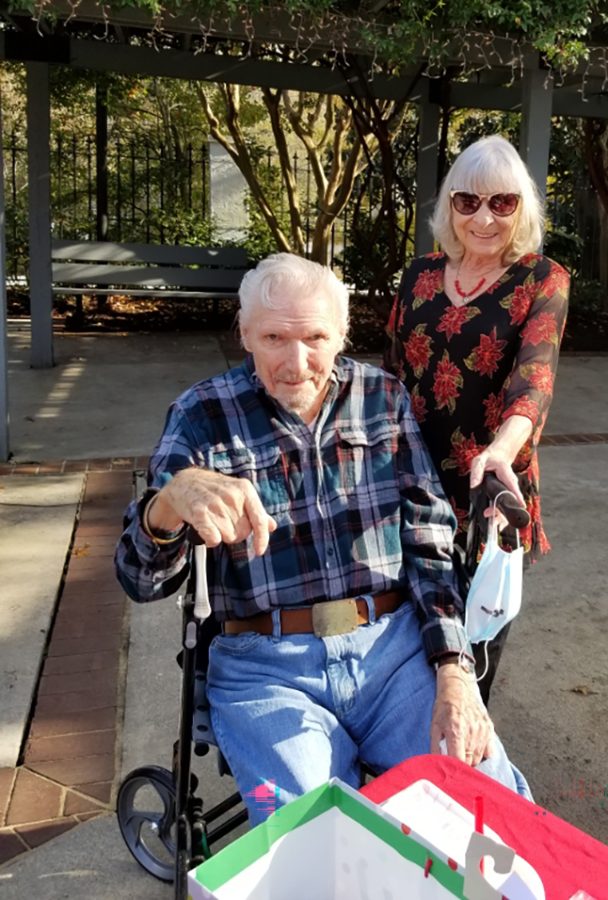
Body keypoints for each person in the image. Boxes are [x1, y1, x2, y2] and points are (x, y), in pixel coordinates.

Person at [115, 252, 531, 826]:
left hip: (394, 652)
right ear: (244, 334)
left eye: (314, 336)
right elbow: (138, 578)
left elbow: (431, 541)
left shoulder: (382, 398)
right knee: (311, 835)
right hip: (266, 669)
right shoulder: (200, 415)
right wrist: (166, 504)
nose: (296, 361)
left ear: (341, 334)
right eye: (274, 337)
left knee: (491, 802)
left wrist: (454, 669)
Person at [384, 135, 570, 705]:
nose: (484, 217)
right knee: (404, 653)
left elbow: (534, 381)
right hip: (408, 490)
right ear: (450, 206)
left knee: (469, 664)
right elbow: (389, 376)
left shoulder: (542, 280)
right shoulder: (418, 274)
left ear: (522, 208)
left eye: (502, 203)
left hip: (487, 495)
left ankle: (456, 776)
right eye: (468, 202)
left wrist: (500, 451)